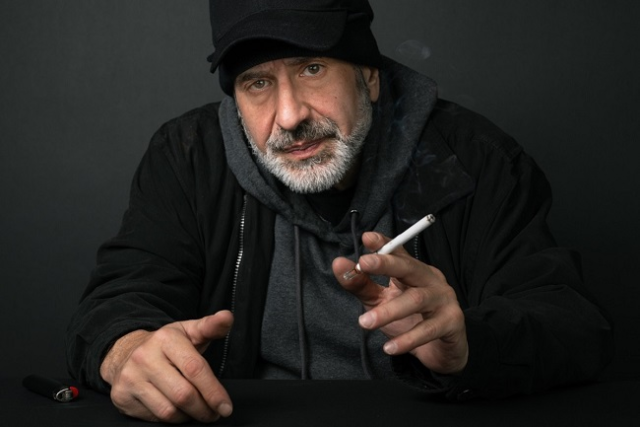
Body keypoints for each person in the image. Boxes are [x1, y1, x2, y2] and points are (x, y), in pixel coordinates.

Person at [66, 0, 613, 423]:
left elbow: (572, 326)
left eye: (311, 69)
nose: (289, 116)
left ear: (369, 77)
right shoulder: (188, 156)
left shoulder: (474, 159)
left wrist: (469, 342)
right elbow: (118, 299)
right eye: (258, 83)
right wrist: (128, 350)